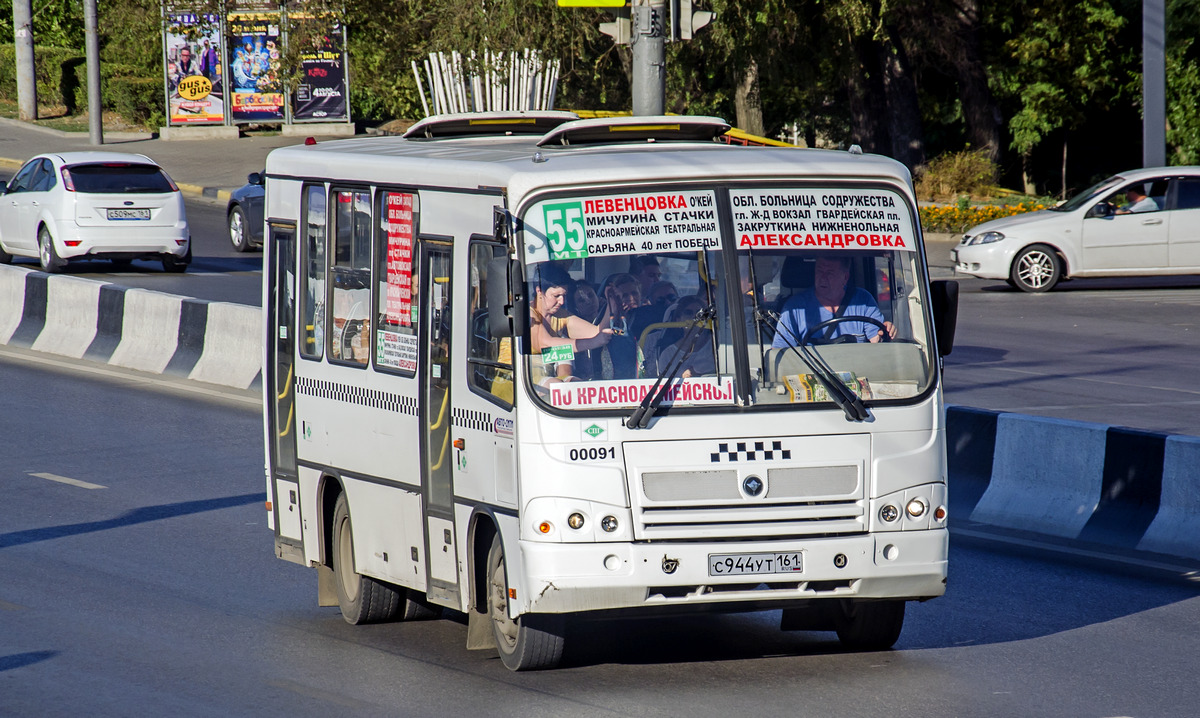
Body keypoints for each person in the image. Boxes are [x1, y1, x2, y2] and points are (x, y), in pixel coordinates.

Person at [771, 255, 895, 347]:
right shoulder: (794, 308)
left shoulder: (863, 300)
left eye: (829, 273)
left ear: (845, 277)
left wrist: (885, 331)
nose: (822, 278)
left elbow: (877, 342)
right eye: (819, 271)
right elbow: (781, 352)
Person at [529, 266, 611, 385]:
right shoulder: (528, 312)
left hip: (549, 379)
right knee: (555, 384)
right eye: (556, 296)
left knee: (577, 384)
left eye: (564, 296)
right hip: (518, 381)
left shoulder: (560, 315)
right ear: (539, 291)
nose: (562, 302)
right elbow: (545, 343)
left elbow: (598, 333)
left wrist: (611, 304)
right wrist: (593, 342)